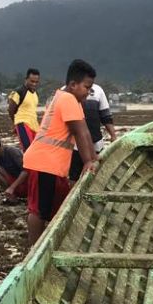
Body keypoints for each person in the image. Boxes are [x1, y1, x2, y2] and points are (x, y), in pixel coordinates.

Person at [22, 59, 97, 247]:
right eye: (87, 87)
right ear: (73, 84)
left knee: (52, 207)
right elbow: (80, 133)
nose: (88, 92)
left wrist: (94, 157)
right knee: (39, 210)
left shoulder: (71, 99)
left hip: (52, 165)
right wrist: (88, 162)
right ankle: (34, 250)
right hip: (43, 162)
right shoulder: (68, 99)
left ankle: (44, 246)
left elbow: (85, 131)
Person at [69, 81, 120, 182]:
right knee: (74, 176)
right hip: (74, 145)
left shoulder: (98, 90)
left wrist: (113, 135)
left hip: (96, 142)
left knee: (97, 175)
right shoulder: (68, 91)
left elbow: (105, 115)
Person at [8, 68, 40, 149]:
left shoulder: (35, 94)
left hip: (35, 127)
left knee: (36, 151)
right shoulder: (19, 91)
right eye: (32, 81)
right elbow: (10, 109)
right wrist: (16, 124)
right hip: (23, 123)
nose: (34, 84)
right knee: (28, 149)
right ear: (26, 79)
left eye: (36, 82)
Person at [0, 135, 28, 203]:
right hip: (15, 182)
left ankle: (14, 192)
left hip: (27, 181)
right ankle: (12, 196)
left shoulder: (12, 151)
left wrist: (12, 187)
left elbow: (26, 171)